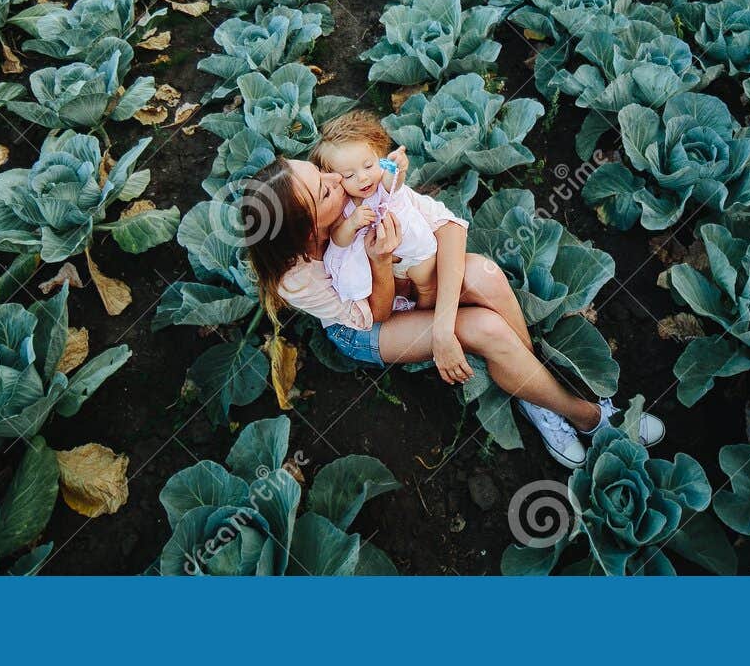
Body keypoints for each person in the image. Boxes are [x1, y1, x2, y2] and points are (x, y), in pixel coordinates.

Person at [239, 155, 664, 469]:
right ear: (311, 229)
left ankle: (536, 394)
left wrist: (442, 327)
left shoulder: (351, 185)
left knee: (487, 276)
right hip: (367, 326)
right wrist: (381, 262)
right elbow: (379, 313)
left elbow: (448, 226)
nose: (335, 178)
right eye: (325, 189)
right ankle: (589, 417)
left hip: (410, 284)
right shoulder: (297, 280)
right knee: (486, 329)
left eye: (322, 172)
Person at [312, 109, 461, 314]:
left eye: (368, 165)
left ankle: (428, 317)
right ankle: (410, 318)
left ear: (378, 157)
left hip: (416, 249)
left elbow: (394, 184)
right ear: (334, 178)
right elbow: (338, 239)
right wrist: (352, 223)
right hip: (386, 264)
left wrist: (396, 169)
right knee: (400, 294)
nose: (363, 178)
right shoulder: (344, 207)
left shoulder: (381, 181)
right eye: (349, 175)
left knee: (428, 288)